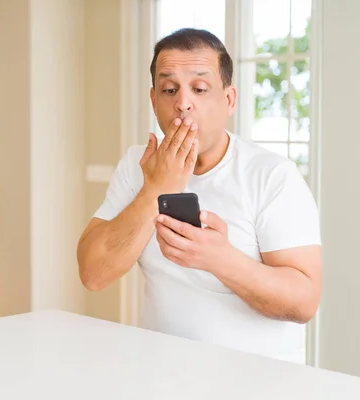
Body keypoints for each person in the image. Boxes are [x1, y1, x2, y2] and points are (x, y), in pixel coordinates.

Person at [77, 28, 322, 362]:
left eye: (200, 88)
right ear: (154, 100)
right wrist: (156, 189)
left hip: (260, 385)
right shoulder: (137, 167)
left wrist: (219, 259)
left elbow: (304, 302)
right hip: (162, 375)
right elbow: (93, 273)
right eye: (169, 89)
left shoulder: (272, 176)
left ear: (229, 99)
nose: (182, 103)